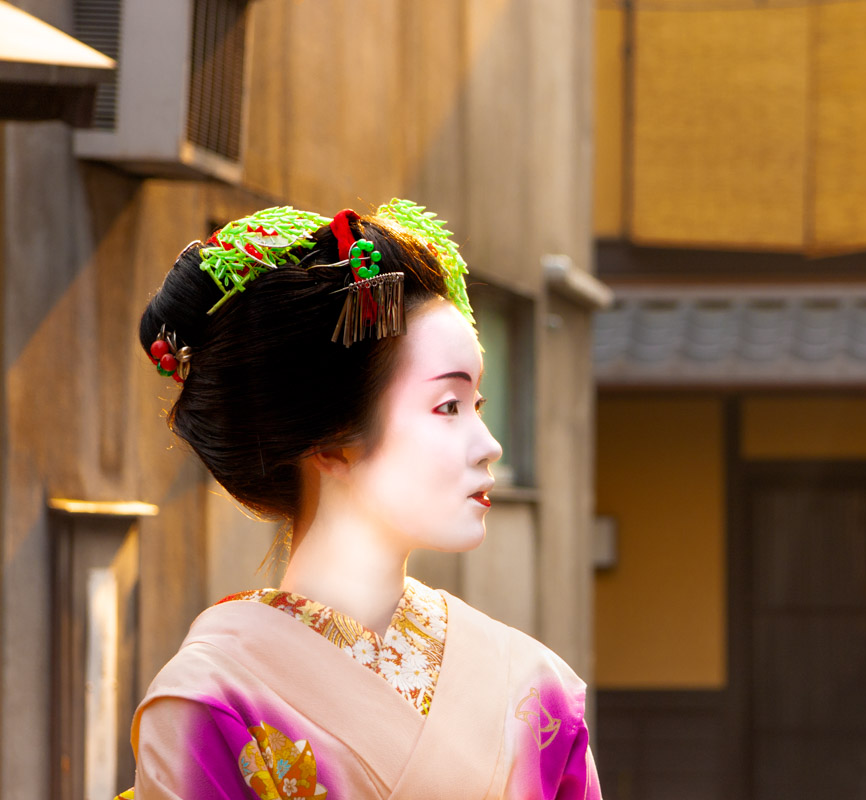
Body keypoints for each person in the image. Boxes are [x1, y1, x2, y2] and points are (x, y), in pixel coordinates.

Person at [125, 201, 600, 799]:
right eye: (447, 407)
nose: (489, 446)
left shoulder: (537, 689)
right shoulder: (213, 705)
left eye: (476, 405)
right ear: (332, 440)